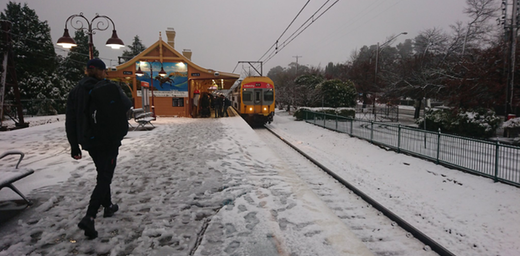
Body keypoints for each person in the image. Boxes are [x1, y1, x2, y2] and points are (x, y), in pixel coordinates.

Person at [65, 58, 131, 239]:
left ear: (87, 71)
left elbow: (70, 119)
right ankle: (90, 216)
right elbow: (127, 105)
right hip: (108, 140)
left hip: (89, 141)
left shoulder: (75, 91)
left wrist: (74, 145)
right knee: (105, 176)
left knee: (102, 171)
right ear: (102, 71)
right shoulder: (108, 87)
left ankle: (108, 206)